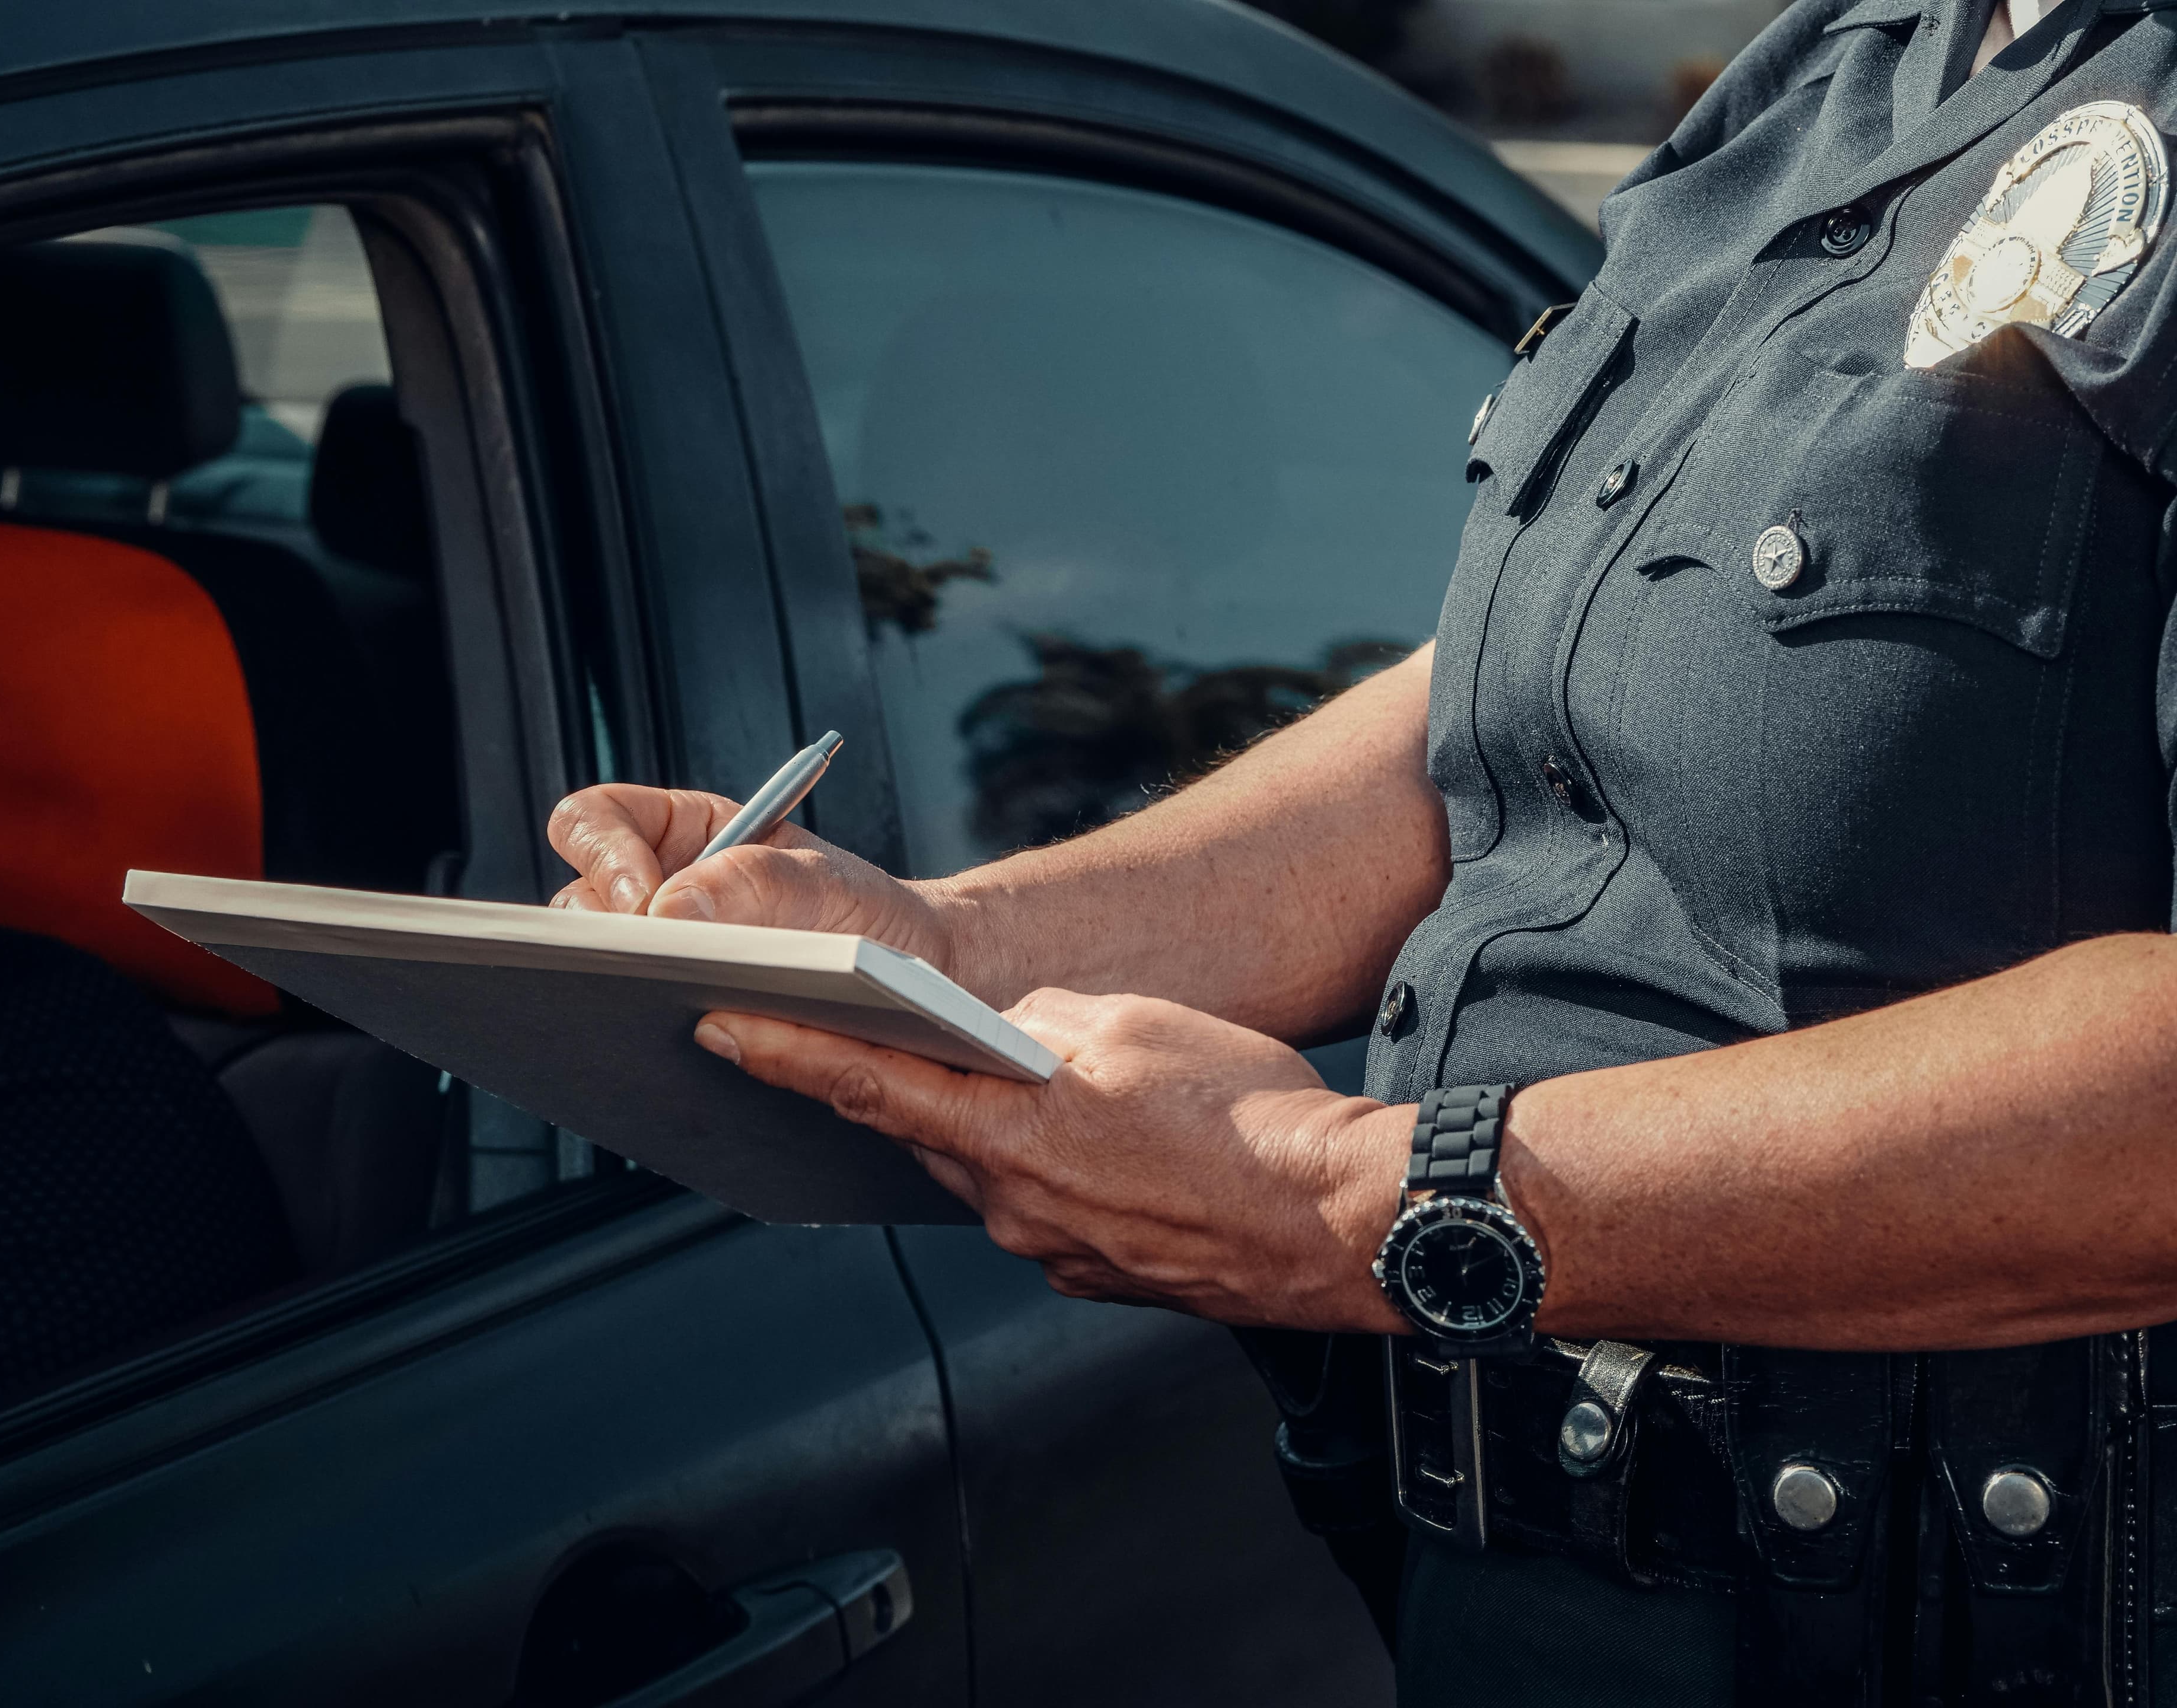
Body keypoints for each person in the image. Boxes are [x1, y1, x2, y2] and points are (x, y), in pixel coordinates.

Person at [550, 0, 2177, 1699]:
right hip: (1530, 1579)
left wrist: (1339, 1198)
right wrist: (939, 943)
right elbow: (1504, 704)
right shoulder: (1833, 75)